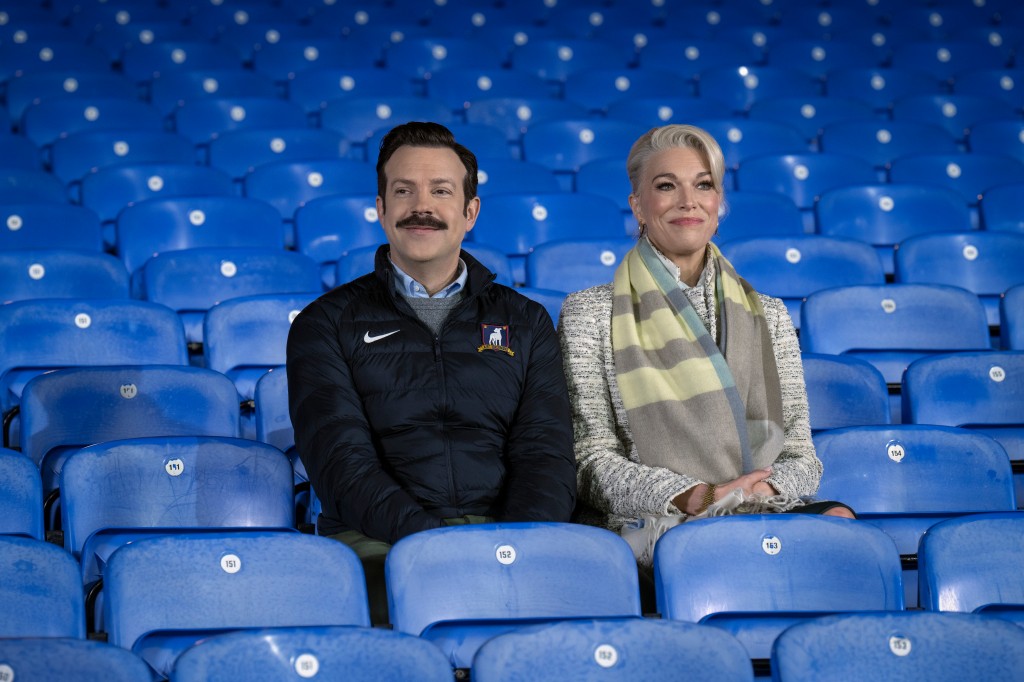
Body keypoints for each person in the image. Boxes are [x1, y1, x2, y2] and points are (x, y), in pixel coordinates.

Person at [287, 121, 577, 623]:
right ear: (381, 208)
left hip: (512, 539)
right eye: (403, 191)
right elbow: (342, 466)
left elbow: (546, 456)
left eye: (440, 191)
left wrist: (511, 545)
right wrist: (438, 546)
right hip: (378, 542)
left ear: (469, 212)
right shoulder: (325, 324)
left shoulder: (526, 321)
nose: (421, 206)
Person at [557, 124, 853, 571]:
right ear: (638, 205)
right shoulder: (589, 313)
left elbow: (800, 454)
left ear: (718, 206)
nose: (687, 200)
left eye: (703, 185)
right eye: (665, 186)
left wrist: (753, 493)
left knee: (840, 524)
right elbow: (591, 462)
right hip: (653, 518)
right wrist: (700, 496)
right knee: (704, 548)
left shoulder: (769, 314)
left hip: (757, 506)